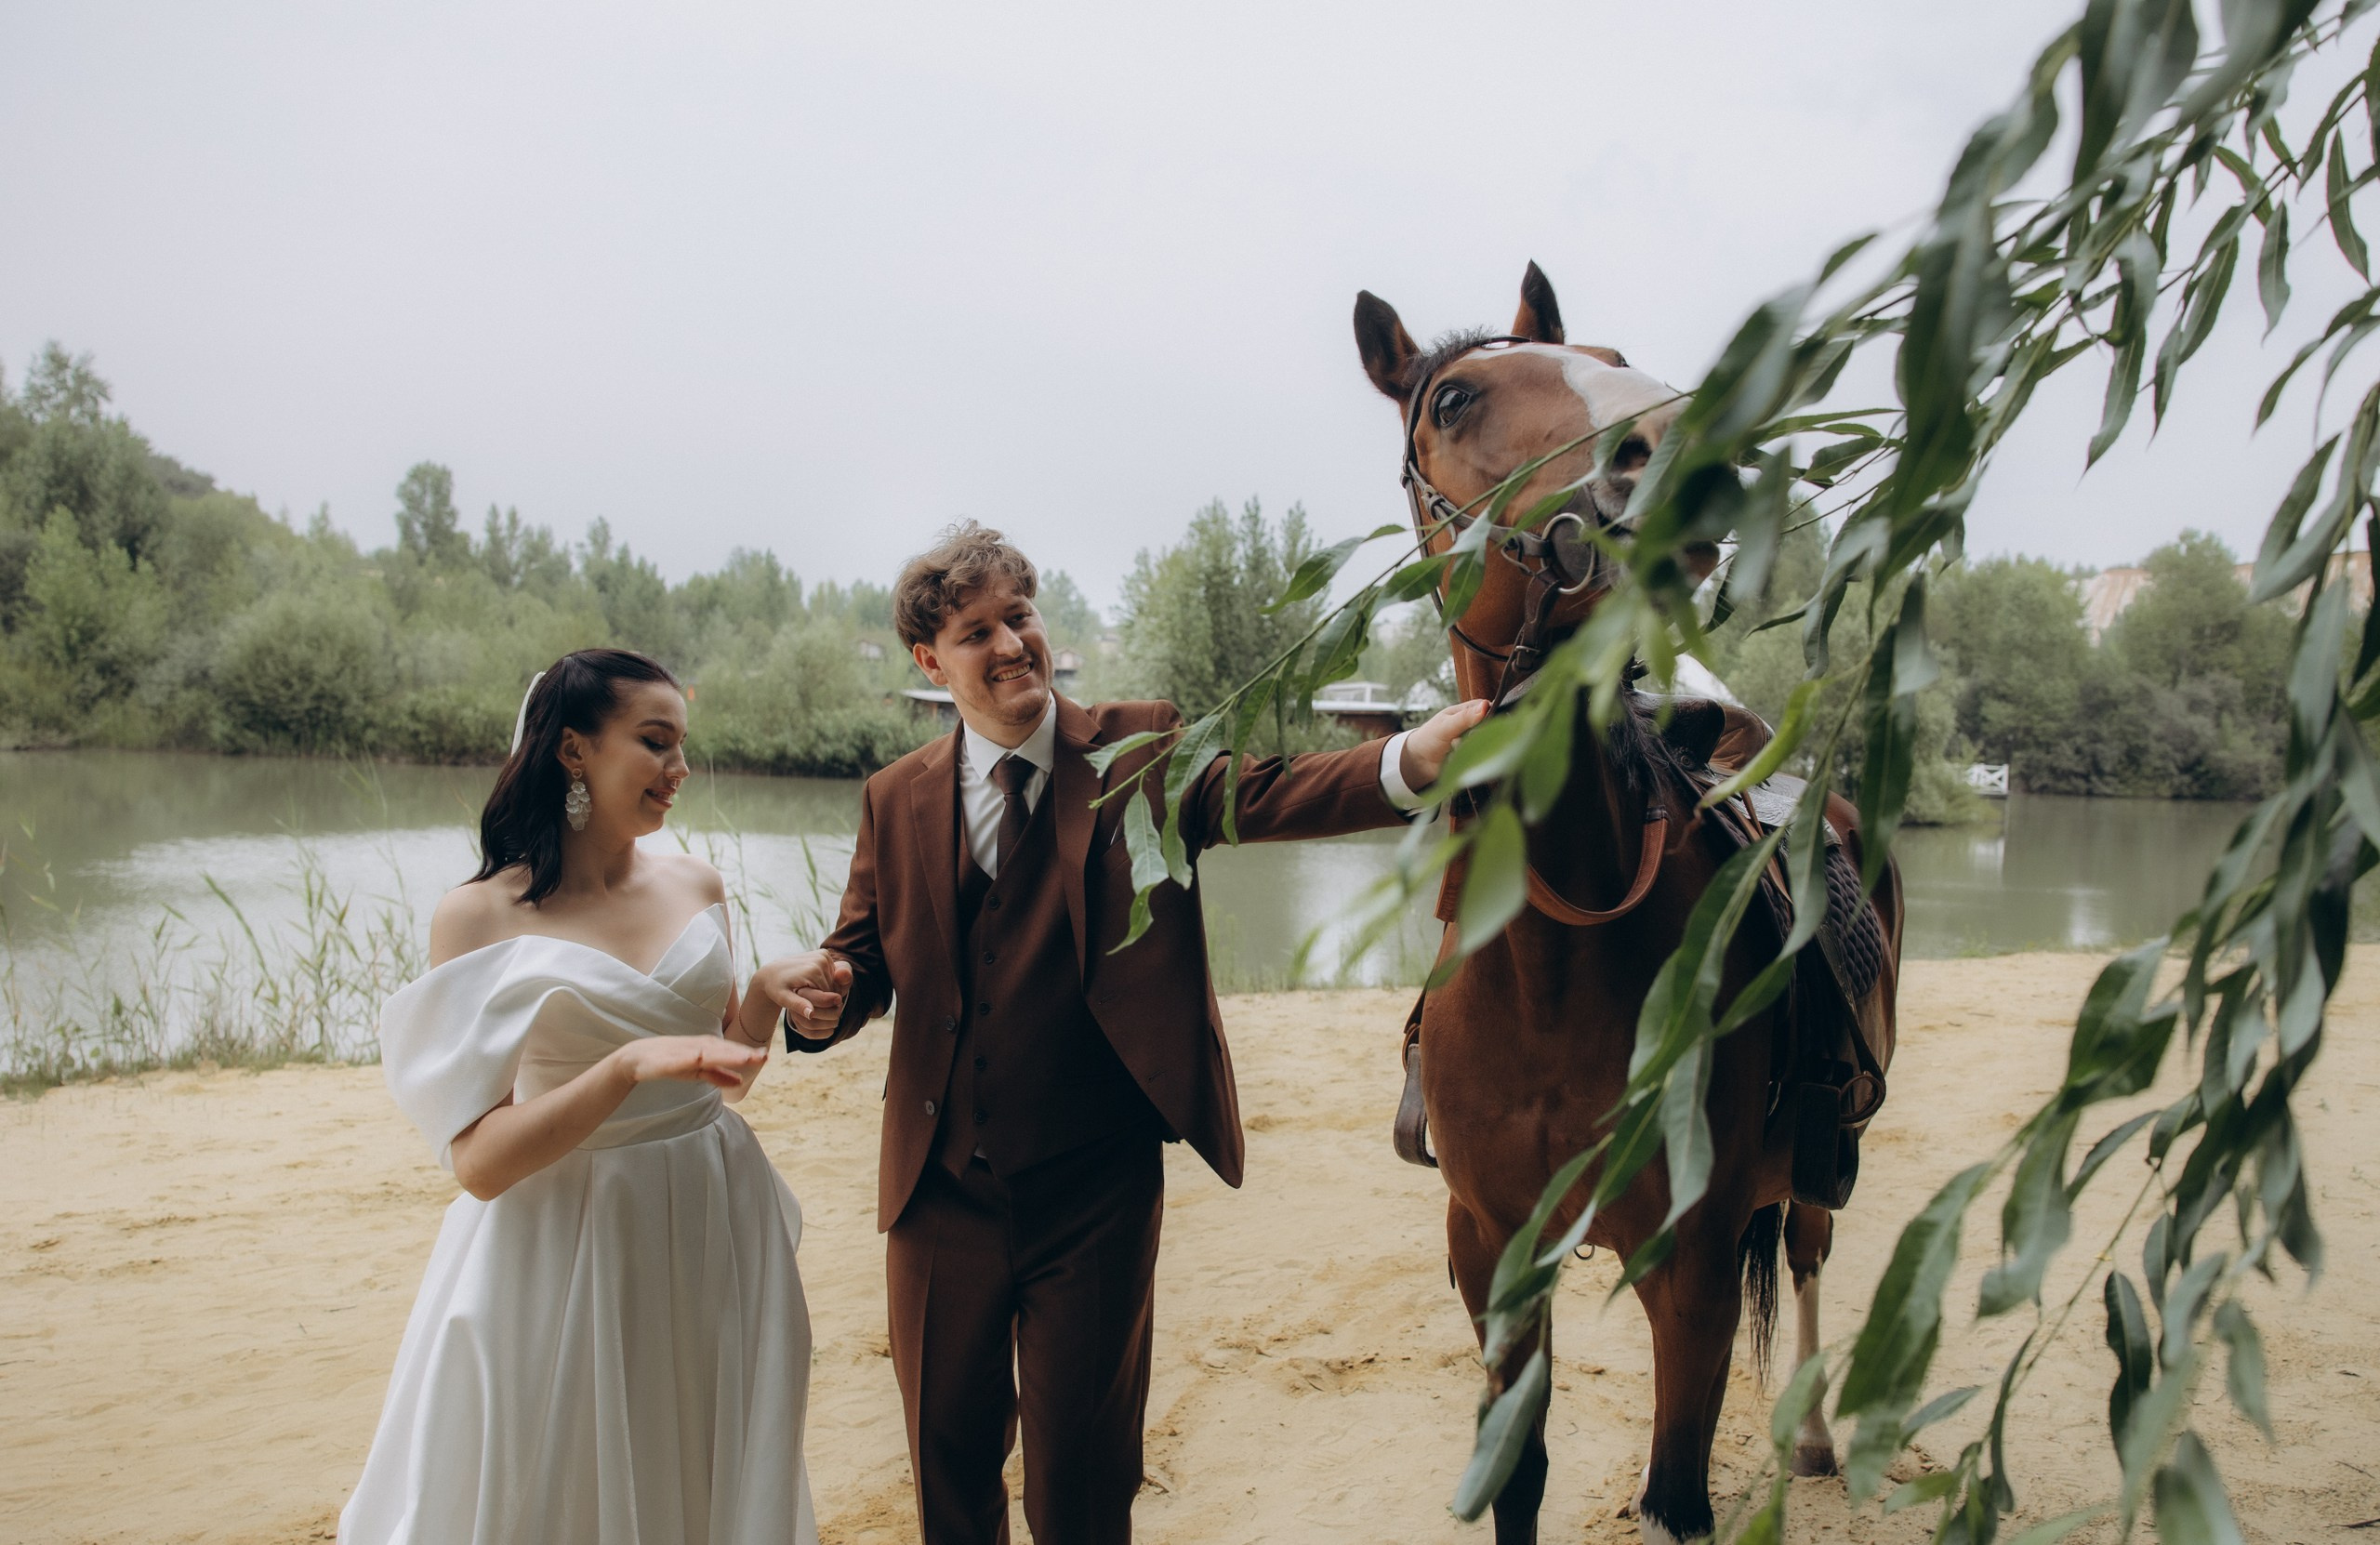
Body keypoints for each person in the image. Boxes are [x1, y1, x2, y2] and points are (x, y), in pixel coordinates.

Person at [736, 522, 1486, 1544]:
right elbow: (863, 955)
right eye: (975, 630)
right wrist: (829, 995)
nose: (1009, 644)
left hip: (1093, 1187)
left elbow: (1258, 794)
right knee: (946, 1458)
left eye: (1020, 616)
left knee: (1084, 1477)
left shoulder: (1137, 749)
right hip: (938, 1187)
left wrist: (1404, 758)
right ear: (929, 659)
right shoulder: (893, 797)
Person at [342, 648, 817, 1545]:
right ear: (572, 749)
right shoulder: (478, 916)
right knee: (562, 1479)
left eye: (683, 746)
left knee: (700, 1462)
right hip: (565, 1236)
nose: (680, 770)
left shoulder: (698, 886)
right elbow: (479, 1165)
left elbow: (728, 1069)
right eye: (656, 742)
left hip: (713, 1218)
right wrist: (622, 1069)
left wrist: (761, 998)